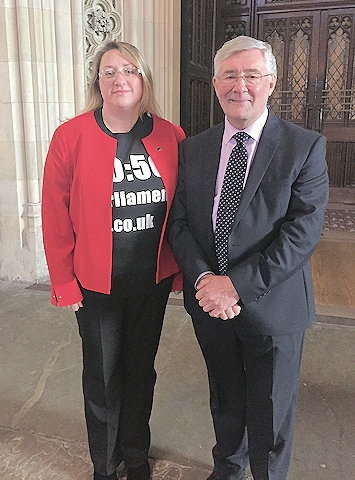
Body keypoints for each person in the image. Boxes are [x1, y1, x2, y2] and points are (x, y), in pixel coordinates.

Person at [168, 36, 329, 480]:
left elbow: (301, 233)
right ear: (216, 84)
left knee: (271, 410)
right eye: (230, 75)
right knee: (225, 398)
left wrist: (234, 285)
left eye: (252, 75)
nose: (241, 85)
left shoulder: (305, 147)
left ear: (271, 83)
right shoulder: (194, 148)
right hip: (210, 305)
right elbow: (179, 223)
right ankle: (227, 469)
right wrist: (205, 281)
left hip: (273, 306)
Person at [42, 41, 185, 480]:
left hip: (151, 280)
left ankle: (136, 455)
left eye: (129, 70)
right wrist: (64, 283)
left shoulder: (171, 135)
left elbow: (183, 209)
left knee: (141, 372)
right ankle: (104, 464)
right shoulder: (72, 135)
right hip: (95, 284)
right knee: (102, 378)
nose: (120, 79)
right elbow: (55, 214)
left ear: (143, 80)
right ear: (97, 82)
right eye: (109, 71)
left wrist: (180, 269)